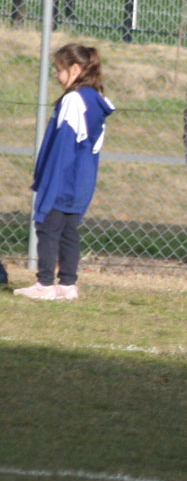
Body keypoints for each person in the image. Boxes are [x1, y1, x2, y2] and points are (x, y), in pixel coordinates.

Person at [14, 44, 114, 301]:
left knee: (48, 228)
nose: (57, 76)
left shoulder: (73, 100)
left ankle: (45, 284)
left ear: (75, 69)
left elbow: (63, 145)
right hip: (82, 179)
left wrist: (48, 180)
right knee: (69, 231)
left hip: (63, 177)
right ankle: (68, 284)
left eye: (59, 70)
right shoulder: (95, 99)